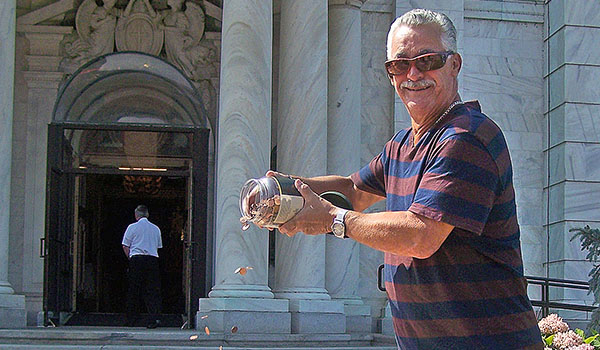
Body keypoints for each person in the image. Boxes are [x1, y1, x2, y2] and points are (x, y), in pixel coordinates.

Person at [271, 9, 544, 350]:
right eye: (400, 64)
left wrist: (332, 221)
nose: (413, 74)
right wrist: (286, 191)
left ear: (454, 64)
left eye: (427, 60)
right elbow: (354, 191)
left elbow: (421, 235)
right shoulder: (402, 144)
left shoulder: (467, 137)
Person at [122, 204, 163, 328]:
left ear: (136, 215)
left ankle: (131, 319)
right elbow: (158, 246)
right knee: (152, 290)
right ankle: (153, 319)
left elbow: (125, 245)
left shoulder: (132, 227)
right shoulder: (156, 228)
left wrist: (130, 258)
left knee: (134, 290)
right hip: (152, 260)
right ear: (147, 214)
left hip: (137, 259)